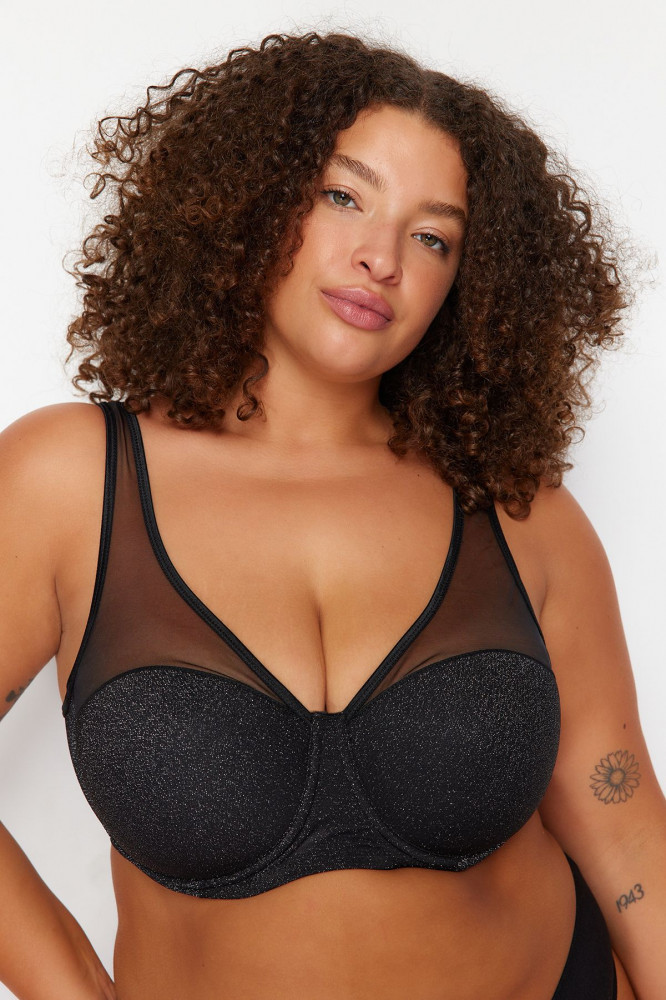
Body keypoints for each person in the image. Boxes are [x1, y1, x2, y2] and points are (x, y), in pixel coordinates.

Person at [0, 28, 664, 1000]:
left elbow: (625, 823)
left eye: (432, 237)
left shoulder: (517, 509)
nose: (380, 258)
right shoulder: (71, 480)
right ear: (253, 199)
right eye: (343, 197)